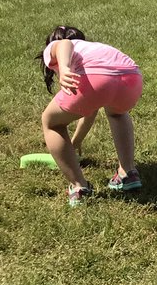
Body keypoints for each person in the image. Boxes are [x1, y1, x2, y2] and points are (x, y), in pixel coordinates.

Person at [38, 26, 145, 207]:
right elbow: (89, 109)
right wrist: (76, 142)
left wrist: (63, 68)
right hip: (131, 76)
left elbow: (64, 44)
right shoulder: (94, 49)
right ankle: (128, 173)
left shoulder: (57, 46)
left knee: (51, 123)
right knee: (117, 113)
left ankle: (79, 187)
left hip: (100, 79)